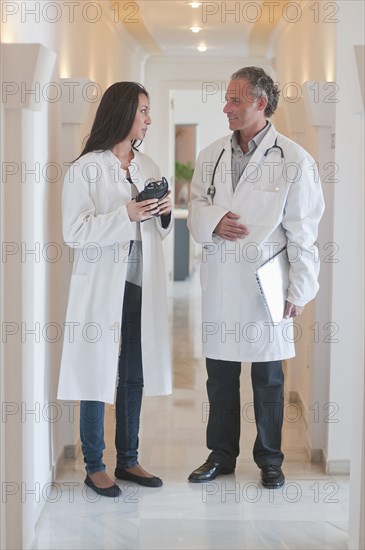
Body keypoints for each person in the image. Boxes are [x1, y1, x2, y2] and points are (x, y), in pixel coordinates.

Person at [187, 67, 324, 488]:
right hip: (223, 282)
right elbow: (193, 204)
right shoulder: (211, 154)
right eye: (227, 99)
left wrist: (300, 288)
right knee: (221, 376)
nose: (226, 108)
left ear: (261, 104)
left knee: (268, 379)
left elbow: (304, 231)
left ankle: (270, 459)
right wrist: (212, 221)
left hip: (268, 285)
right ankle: (220, 455)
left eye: (235, 101)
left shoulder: (295, 160)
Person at [57, 82, 173, 497]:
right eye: (143, 110)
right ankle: (94, 465)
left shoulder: (149, 164)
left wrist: (162, 212)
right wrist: (125, 213)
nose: (149, 119)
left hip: (141, 281)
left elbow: (157, 226)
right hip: (103, 286)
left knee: (133, 372)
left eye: (149, 110)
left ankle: (129, 458)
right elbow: (74, 232)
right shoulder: (86, 168)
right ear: (122, 113)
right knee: (95, 370)